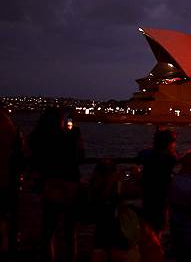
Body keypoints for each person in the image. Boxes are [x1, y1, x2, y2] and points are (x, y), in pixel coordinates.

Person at [29, 107, 84, 262]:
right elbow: (80, 155)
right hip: (72, 185)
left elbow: (35, 161)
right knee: (70, 232)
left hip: (52, 186)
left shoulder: (39, 139)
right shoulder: (70, 137)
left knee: (48, 233)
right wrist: (76, 133)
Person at [88, 160, 140, 262]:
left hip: (100, 236)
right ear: (111, 174)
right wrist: (137, 176)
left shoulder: (93, 189)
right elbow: (139, 192)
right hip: (116, 235)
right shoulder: (116, 190)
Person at [137, 128, 178, 233]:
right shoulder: (170, 159)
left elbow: (140, 156)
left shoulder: (148, 156)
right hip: (161, 198)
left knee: (149, 227)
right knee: (158, 227)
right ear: (168, 144)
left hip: (148, 195)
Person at [0, 106, 25, 255]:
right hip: (9, 178)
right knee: (10, 214)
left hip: (6, 178)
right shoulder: (10, 127)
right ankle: (11, 242)